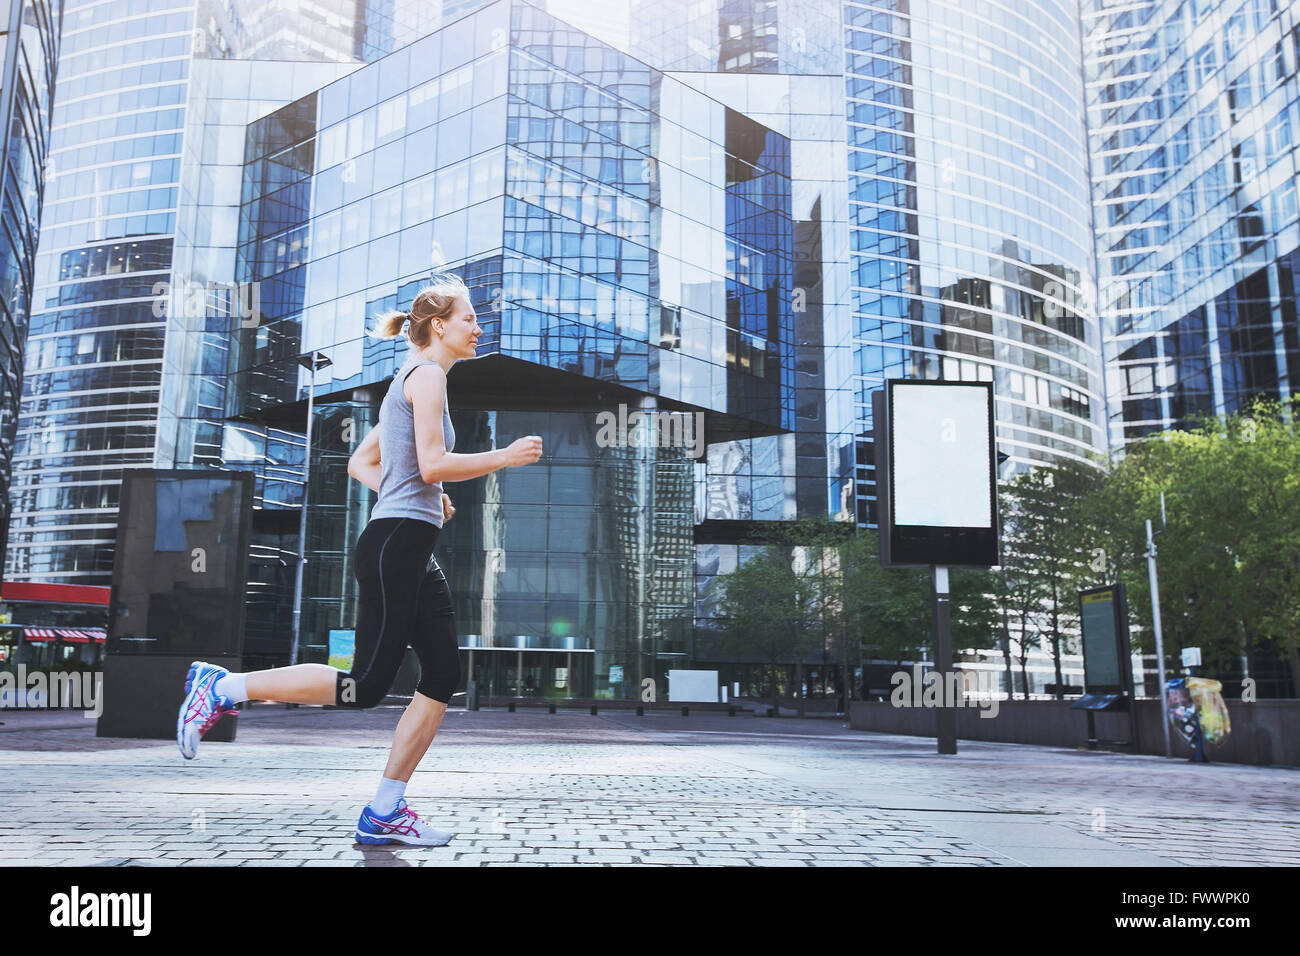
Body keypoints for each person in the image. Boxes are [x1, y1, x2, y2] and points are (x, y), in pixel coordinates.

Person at [175, 272, 543, 846]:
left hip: (408, 544)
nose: (479, 327)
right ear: (440, 326)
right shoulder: (425, 377)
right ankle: (224, 688)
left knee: (443, 672)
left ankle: (385, 812)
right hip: (397, 546)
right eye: (470, 318)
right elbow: (430, 463)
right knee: (366, 684)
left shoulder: (413, 380)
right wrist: (504, 457)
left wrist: (419, 496)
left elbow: (363, 463)